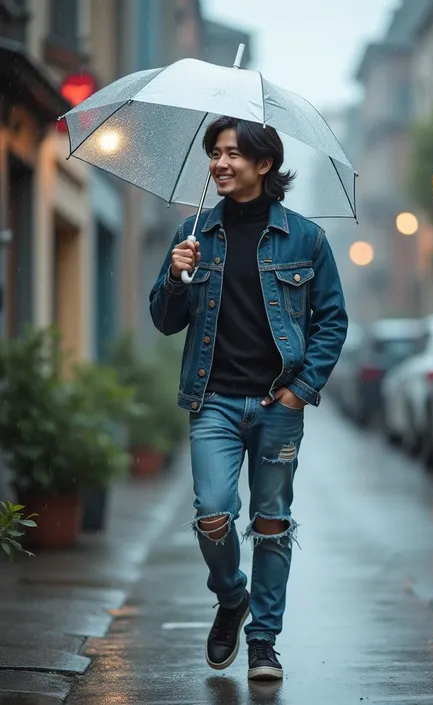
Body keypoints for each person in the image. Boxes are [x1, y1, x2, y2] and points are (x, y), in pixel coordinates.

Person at [149, 116, 348, 681]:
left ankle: (263, 641)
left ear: (264, 165)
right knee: (213, 514)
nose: (220, 163)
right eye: (215, 152)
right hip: (211, 401)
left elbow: (331, 320)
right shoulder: (193, 233)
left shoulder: (306, 238)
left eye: (233, 153)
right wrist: (175, 277)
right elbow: (164, 322)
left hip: (276, 406)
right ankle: (231, 595)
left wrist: (299, 391)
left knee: (270, 522)